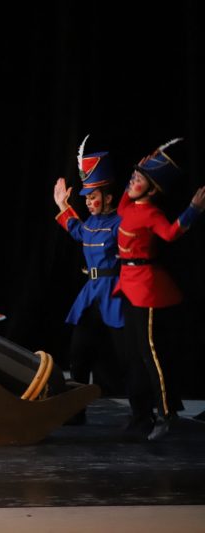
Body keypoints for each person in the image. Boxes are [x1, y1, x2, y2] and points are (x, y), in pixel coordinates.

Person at [113, 138, 205, 440]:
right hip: (128, 285)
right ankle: (140, 414)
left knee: (151, 354)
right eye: (133, 176)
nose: (132, 181)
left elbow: (170, 233)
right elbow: (123, 204)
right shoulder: (128, 206)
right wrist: (143, 166)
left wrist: (192, 210)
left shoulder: (151, 213)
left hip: (146, 288)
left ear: (152, 190)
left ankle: (167, 414)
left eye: (139, 180)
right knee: (133, 354)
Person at [53, 137, 124, 423]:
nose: (88, 202)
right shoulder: (91, 223)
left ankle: (146, 413)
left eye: (92, 197)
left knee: (127, 356)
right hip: (90, 294)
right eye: (85, 198)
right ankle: (76, 411)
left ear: (108, 197)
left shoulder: (121, 223)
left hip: (115, 294)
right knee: (79, 353)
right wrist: (62, 205)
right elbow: (78, 231)